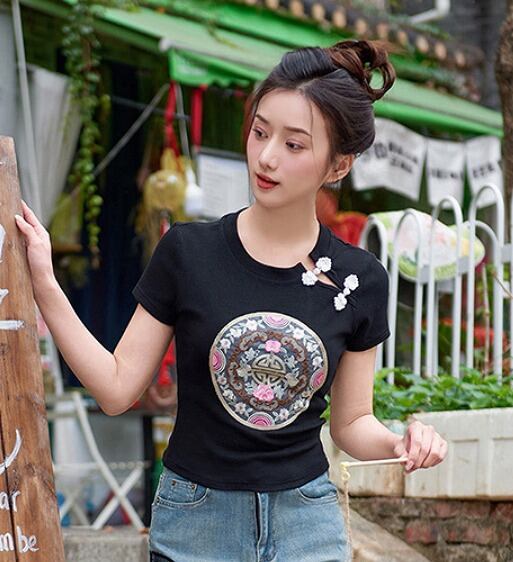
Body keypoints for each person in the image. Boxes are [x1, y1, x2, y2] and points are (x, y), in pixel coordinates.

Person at [16, 39, 448, 562]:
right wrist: (45, 283)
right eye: (261, 132)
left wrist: (400, 441)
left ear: (338, 166)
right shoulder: (187, 252)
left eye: (294, 145)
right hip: (197, 521)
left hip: (307, 524)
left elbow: (351, 423)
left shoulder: (360, 279)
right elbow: (115, 388)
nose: (266, 157)